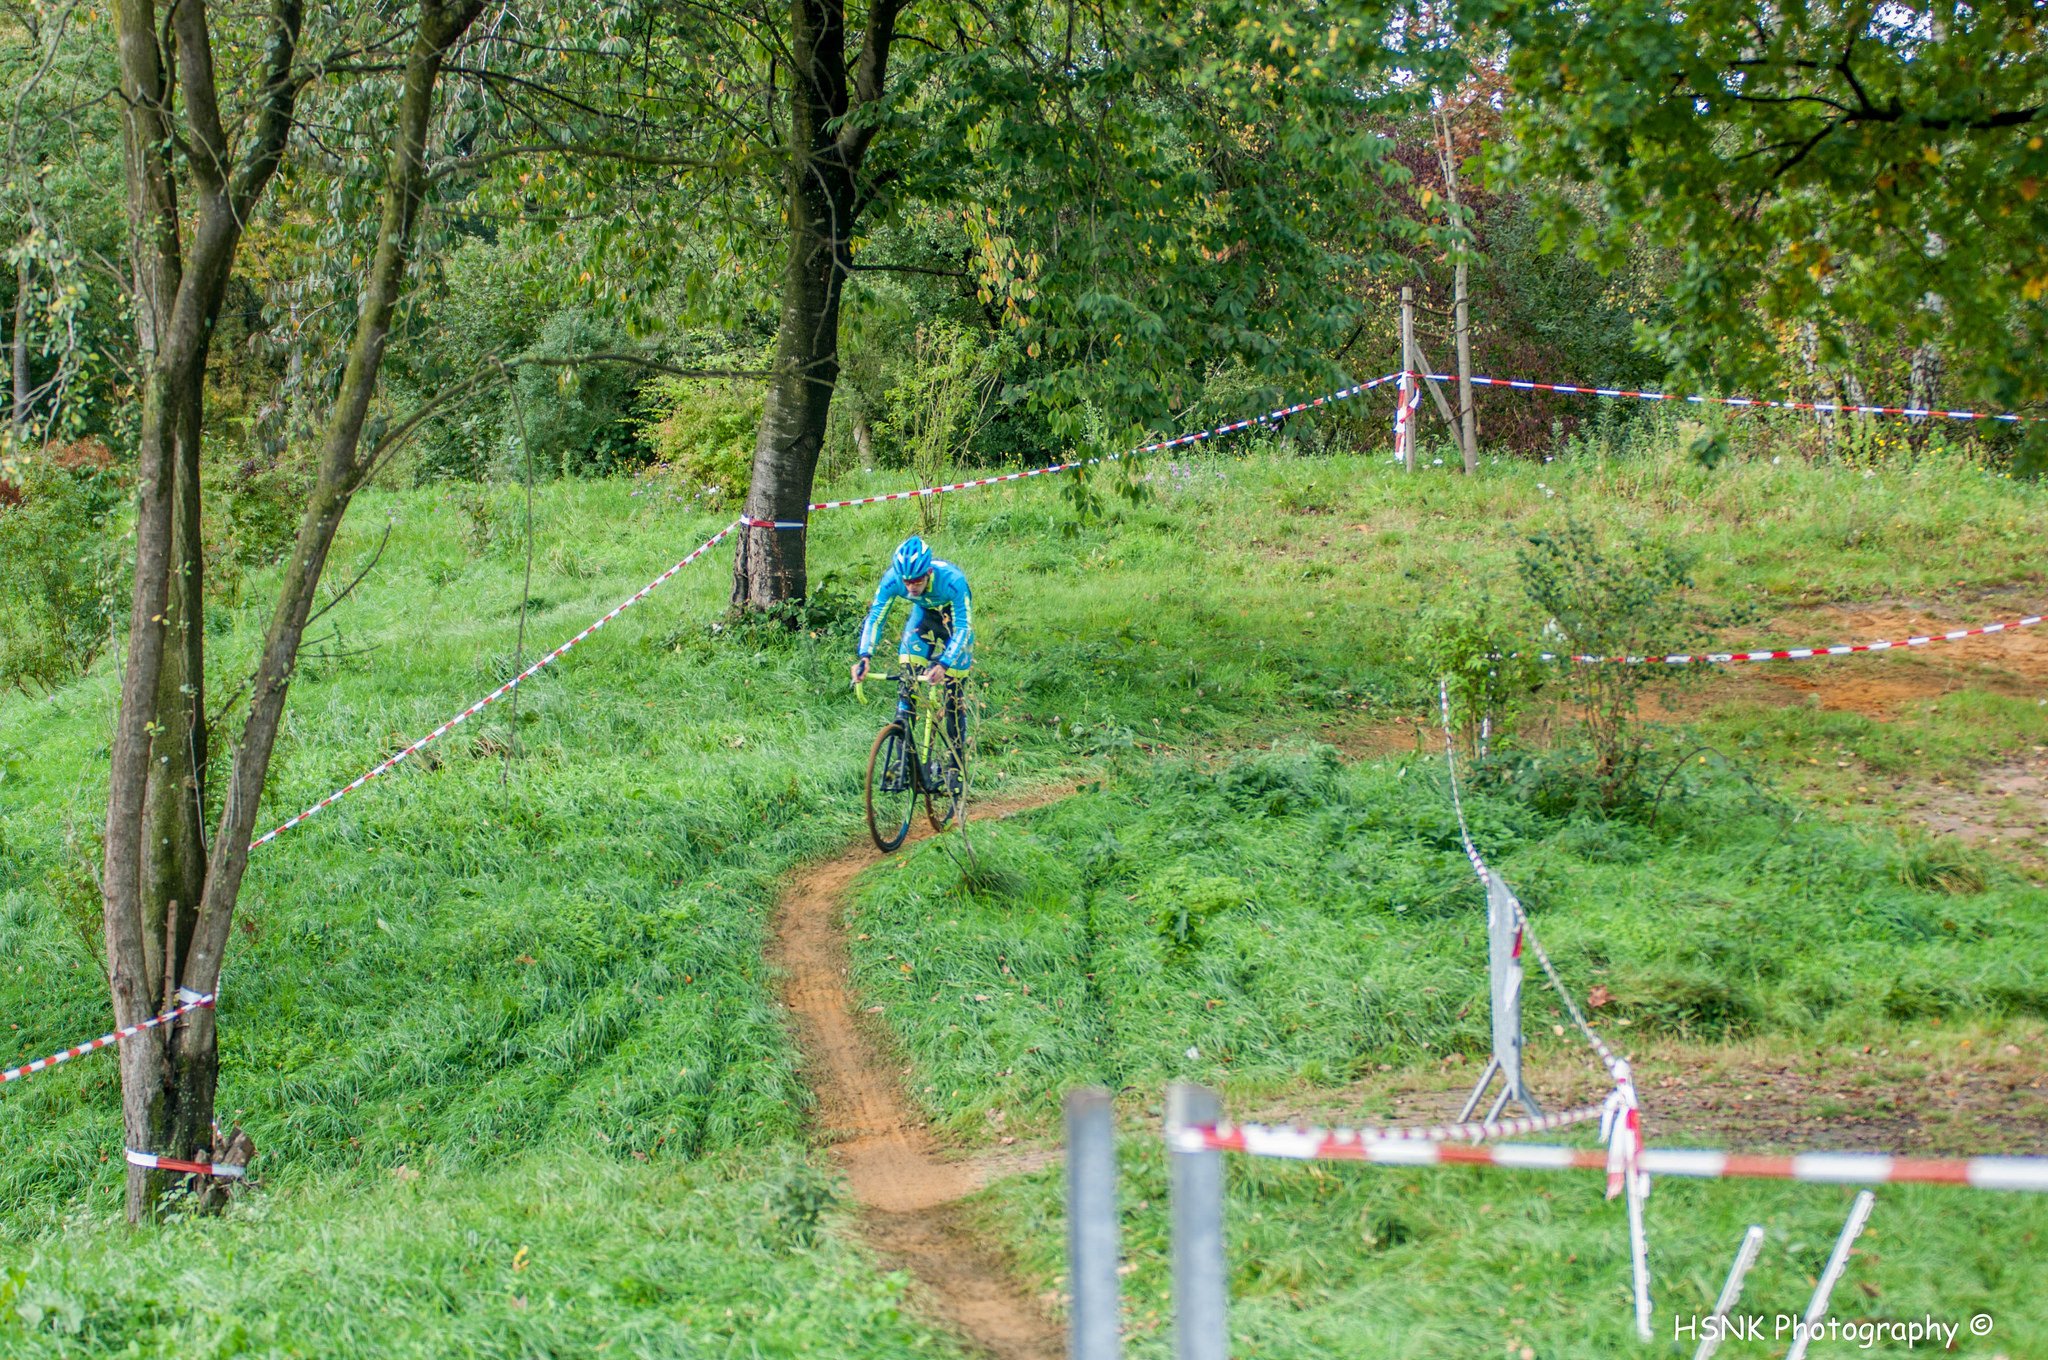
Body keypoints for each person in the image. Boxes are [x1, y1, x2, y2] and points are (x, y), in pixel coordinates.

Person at [851, 535, 972, 786]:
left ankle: (955, 767)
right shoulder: (893, 579)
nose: (911, 588)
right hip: (922, 622)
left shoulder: (953, 581)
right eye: (906, 581)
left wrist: (945, 664)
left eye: (916, 580)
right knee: (907, 690)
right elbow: (875, 617)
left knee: (953, 698)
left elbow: (963, 628)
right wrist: (864, 656)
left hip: (954, 627)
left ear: (928, 572)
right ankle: (902, 762)